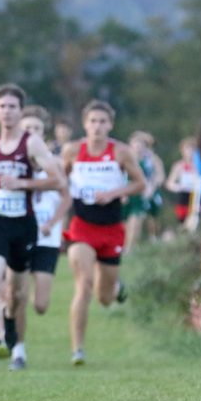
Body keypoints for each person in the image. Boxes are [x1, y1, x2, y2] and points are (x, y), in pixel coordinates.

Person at [0, 84, 64, 373]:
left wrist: (22, 183)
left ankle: (13, 333)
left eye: (12, 106)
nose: (7, 111)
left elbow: (58, 181)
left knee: (17, 294)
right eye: (2, 106)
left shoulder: (32, 144)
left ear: (20, 111)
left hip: (23, 225)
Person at [62, 100, 145, 365]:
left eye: (102, 122)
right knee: (83, 285)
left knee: (105, 298)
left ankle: (115, 286)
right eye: (92, 121)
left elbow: (140, 183)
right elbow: (61, 181)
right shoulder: (72, 151)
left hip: (111, 230)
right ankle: (78, 350)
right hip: (81, 227)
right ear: (85, 124)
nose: (97, 127)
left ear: (110, 124)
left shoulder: (121, 152)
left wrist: (112, 193)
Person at [16, 105, 71, 369]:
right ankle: (18, 349)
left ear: (43, 132)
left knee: (40, 304)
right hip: (20, 234)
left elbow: (66, 197)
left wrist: (51, 222)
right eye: (27, 128)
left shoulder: (55, 163)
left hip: (47, 238)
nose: (32, 133)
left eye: (36, 129)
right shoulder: (14, 162)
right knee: (19, 295)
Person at [123, 131, 165, 252]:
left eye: (141, 144)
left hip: (144, 193)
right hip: (127, 193)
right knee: (125, 223)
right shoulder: (125, 157)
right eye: (135, 143)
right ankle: (125, 246)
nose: (138, 147)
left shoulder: (152, 160)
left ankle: (131, 247)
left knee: (138, 219)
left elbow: (159, 176)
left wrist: (151, 187)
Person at [165, 136, 199, 224]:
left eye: (192, 149)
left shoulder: (199, 166)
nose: (190, 152)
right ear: (182, 151)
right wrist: (178, 187)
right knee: (183, 221)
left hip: (196, 195)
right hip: (183, 196)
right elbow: (169, 183)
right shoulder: (178, 166)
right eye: (187, 149)